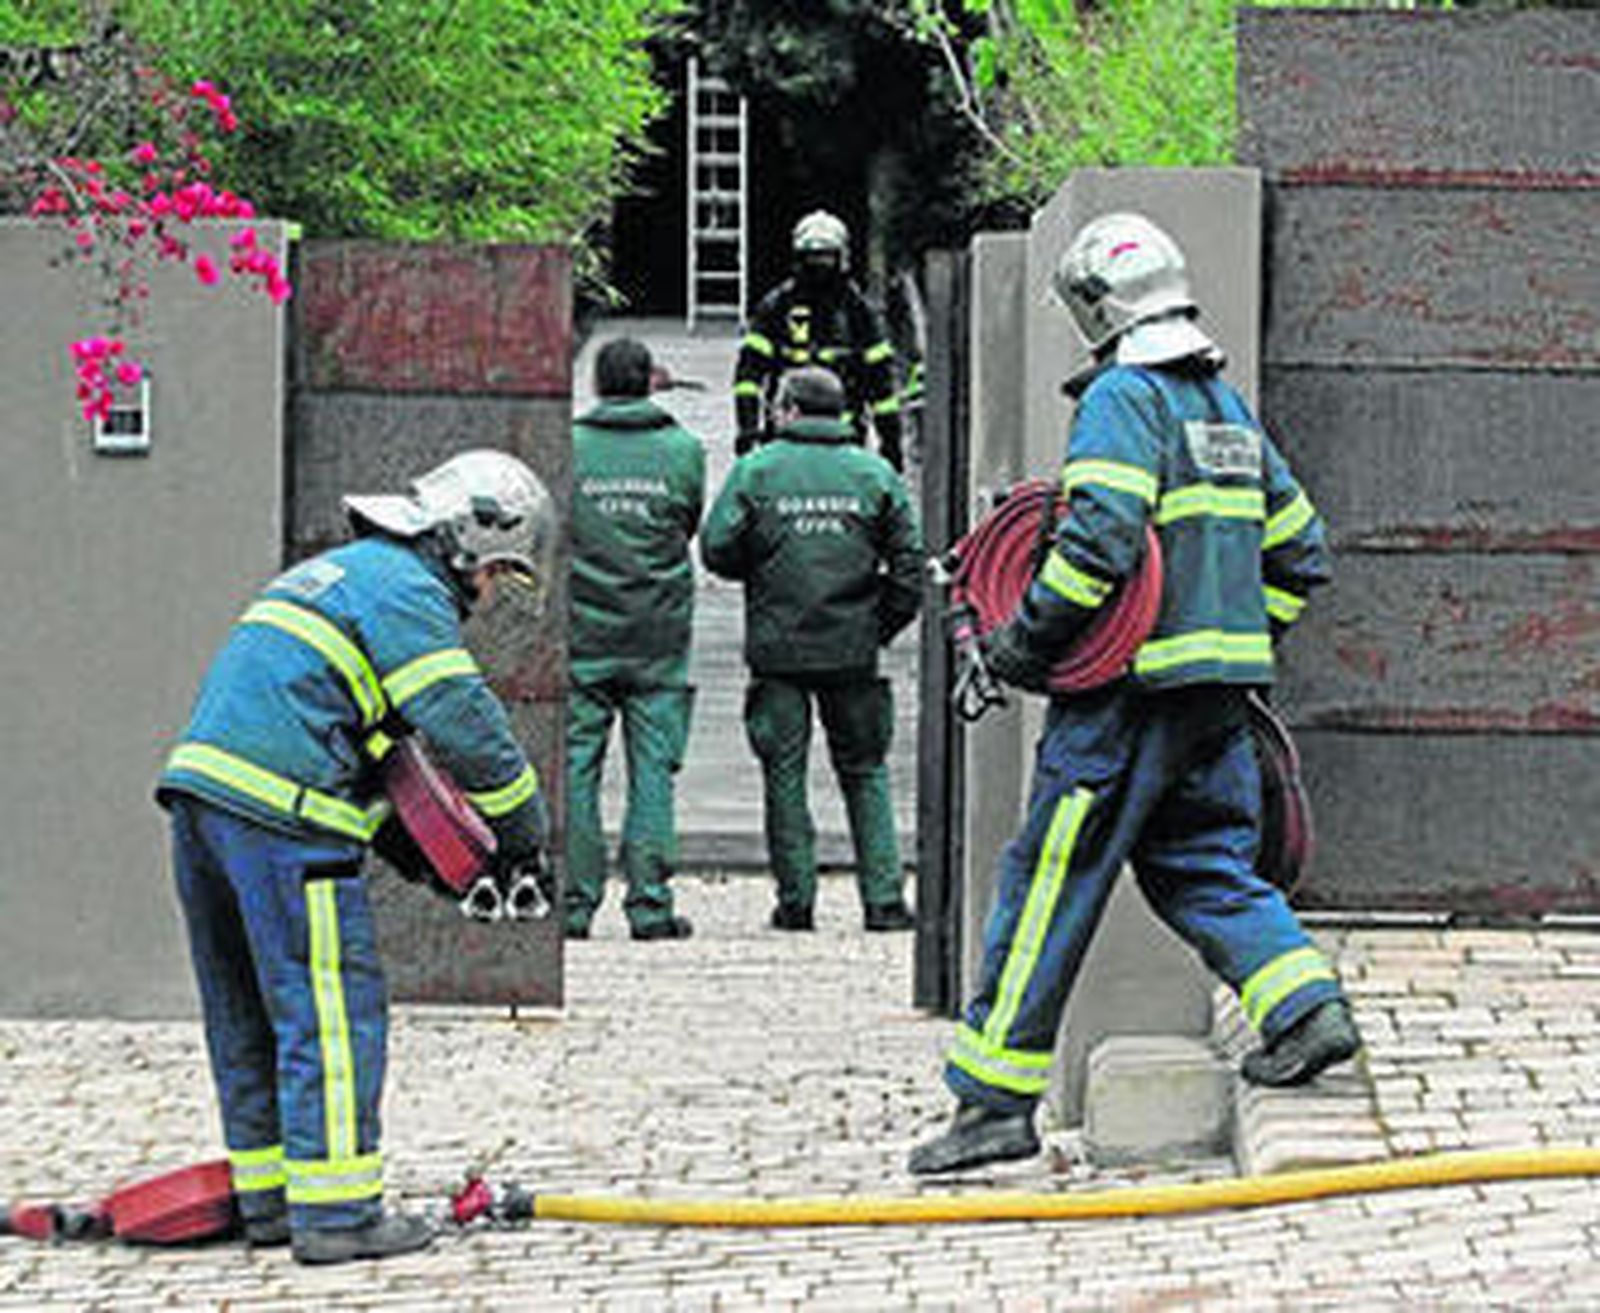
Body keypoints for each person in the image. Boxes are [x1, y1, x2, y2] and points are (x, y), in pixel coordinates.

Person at [909, 213, 1361, 1176]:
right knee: (1203, 865)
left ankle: (991, 1102)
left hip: (1124, 703)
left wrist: (1026, 642)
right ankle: (1306, 1006)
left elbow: (1100, 541)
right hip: (1217, 706)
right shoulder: (1226, 409)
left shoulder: (1124, 396)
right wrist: (1238, 636)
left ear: (1095, 308)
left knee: (1045, 886)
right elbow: (1302, 550)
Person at [156, 450, 556, 1261]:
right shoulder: (409, 591)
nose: (486, 598)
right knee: (330, 1010)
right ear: (470, 541)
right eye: (497, 575)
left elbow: (370, 757)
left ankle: (272, 1200)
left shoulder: (338, 575)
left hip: (204, 805)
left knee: (246, 1010)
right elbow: (457, 716)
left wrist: (428, 859)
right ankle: (337, 1216)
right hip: (281, 817)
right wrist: (523, 833)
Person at [702, 366, 923, 932]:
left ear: (790, 410)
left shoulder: (757, 470)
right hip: (854, 650)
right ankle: (884, 901)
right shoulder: (875, 473)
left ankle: (795, 902)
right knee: (866, 770)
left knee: (784, 773)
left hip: (779, 652)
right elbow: (909, 567)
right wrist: (879, 626)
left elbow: (717, 548)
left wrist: (765, 565)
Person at [565, 338, 705, 942]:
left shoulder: (567, 447)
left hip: (583, 630)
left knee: (574, 768)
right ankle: (650, 904)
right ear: (651, 381)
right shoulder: (683, 450)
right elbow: (690, 521)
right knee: (654, 769)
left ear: (597, 383)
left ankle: (573, 905)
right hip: (658, 633)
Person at [733, 210, 905, 470]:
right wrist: (747, 429)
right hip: (787, 435)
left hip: (843, 439)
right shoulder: (776, 306)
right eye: (813, 257)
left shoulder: (858, 311)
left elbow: (881, 386)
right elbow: (748, 376)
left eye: (825, 257)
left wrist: (890, 442)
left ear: (841, 257)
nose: (819, 266)